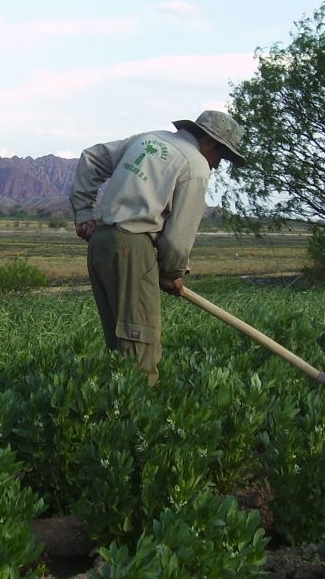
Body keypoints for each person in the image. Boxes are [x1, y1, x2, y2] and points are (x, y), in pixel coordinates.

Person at [69, 110, 247, 384]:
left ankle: (110, 414)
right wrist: (171, 272)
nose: (216, 166)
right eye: (221, 158)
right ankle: (136, 418)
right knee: (140, 350)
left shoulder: (149, 139)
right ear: (211, 143)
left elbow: (90, 158)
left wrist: (83, 213)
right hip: (132, 248)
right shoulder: (196, 165)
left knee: (119, 345)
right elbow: (178, 237)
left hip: (101, 243)